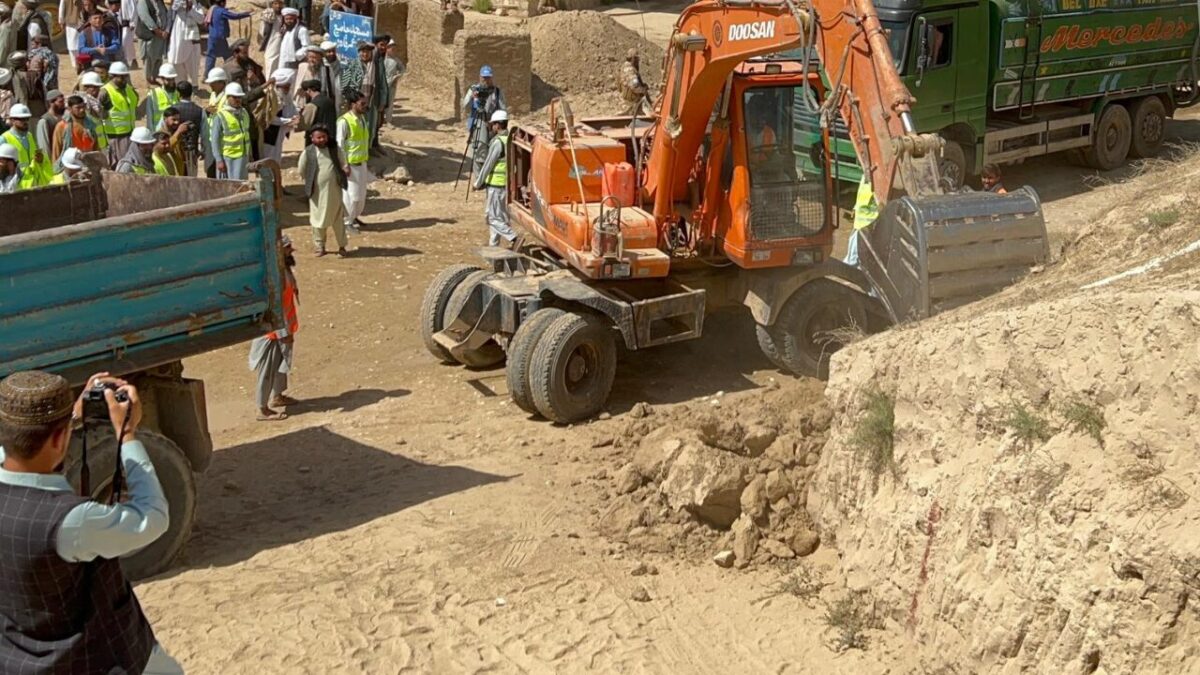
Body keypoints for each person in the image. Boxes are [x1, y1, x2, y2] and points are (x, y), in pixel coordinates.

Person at [0, 370, 184, 674]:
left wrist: (70, 418)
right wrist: (127, 434)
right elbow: (153, 516)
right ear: (60, 439)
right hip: (96, 660)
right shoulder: (73, 522)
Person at [248, 236, 299, 420]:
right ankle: (262, 408)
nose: (290, 251)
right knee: (267, 369)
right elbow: (274, 307)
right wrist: (283, 333)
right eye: (287, 249)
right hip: (272, 332)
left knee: (280, 364)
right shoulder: (275, 276)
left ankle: (277, 396)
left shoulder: (282, 270)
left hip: (282, 328)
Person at [298, 123, 346, 256]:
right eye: (318, 138)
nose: (322, 140)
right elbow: (302, 169)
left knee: (337, 219)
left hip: (334, 191)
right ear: (312, 138)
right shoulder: (308, 152)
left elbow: (343, 162)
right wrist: (310, 181)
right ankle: (320, 246)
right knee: (317, 219)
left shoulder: (334, 149)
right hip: (316, 193)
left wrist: (345, 169)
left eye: (324, 137)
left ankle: (342, 246)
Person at [473, 109, 516, 247]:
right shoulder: (511, 140)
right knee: (500, 217)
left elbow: (488, 164)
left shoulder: (498, 142)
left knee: (492, 218)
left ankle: (513, 237)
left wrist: (478, 183)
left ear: (498, 125)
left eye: (493, 125)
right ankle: (493, 247)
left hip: (496, 186)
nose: (491, 127)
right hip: (507, 186)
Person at [461, 65, 504, 178]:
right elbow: (465, 105)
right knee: (479, 150)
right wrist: (473, 97)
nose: (486, 80)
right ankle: (479, 177)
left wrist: (494, 122)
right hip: (478, 123)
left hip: (493, 124)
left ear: (492, 78)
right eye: (484, 77)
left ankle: (489, 175)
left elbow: (502, 109)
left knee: (493, 150)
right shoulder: (474, 89)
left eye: (488, 77)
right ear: (480, 77)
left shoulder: (497, 92)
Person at [341, 42, 383, 151]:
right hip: (356, 103)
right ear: (359, 53)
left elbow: (380, 84)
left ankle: (366, 150)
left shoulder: (375, 66)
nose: (365, 54)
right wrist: (352, 99)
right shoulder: (352, 64)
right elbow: (345, 85)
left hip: (371, 102)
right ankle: (353, 149)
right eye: (363, 52)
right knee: (355, 126)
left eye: (367, 52)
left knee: (369, 127)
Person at [338, 90, 370, 232]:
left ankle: (354, 216)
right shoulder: (344, 121)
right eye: (362, 104)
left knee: (361, 195)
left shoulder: (362, 119)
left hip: (361, 162)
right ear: (353, 104)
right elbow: (340, 144)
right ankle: (346, 222)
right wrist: (344, 164)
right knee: (351, 196)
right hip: (350, 165)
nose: (365, 106)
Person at [1, 103, 51, 187]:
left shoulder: (29, 136)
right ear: (12, 120)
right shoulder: (4, 139)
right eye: (21, 119)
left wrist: (39, 159)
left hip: (32, 183)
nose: (25, 122)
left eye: (27, 119)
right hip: (14, 185)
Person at [210, 80, 251, 179]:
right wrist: (219, 160)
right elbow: (214, 141)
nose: (238, 100)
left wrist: (250, 154)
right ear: (228, 97)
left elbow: (246, 134)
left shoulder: (244, 113)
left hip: (243, 156)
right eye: (234, 97)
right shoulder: (220, 116)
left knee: (242, 185)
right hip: (228, 158)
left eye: (239, 97)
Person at [99, 60, 136, 164]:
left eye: (125, 76)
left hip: (130, 134)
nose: (124, 80)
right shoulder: (105, 92)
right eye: (121, 77)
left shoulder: (128, 89)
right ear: (112, 76)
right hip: (114, 137)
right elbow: (98, 116)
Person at [204, 0, 251, 76]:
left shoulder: (212, 9)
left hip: (212, 37)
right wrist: (247, 14)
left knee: (211, 56)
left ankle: (206, 75)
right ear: (222, 3)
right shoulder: (221, 11)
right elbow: (234, 16)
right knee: (228, 56)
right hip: (220, 37)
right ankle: (231, 72)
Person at [165, 81, 202, 175]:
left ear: (178, 93)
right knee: (192, 178)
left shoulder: (171, 109)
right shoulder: (199, 111)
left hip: (175, 153)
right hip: (192, 152)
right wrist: (203, 150)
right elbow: (205, 134)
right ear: (191, 93)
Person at [52, 93, 103, 160]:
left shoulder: (91, 124)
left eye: (83, 106)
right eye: (78, 108)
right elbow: (57, 149)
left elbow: (96, 146)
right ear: (70, 109)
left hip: (89, 162)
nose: (82, 110)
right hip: (71, 163)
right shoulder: (62, 126)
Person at [262, 67, 296, 164]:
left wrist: (295, 116)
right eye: (285, 87)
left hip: (279, 133)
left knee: (276, 159)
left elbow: (291, 107)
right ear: (278, 86)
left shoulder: (286, 95)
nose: (287, 90)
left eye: (288, 87)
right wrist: (288, 121)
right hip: (269, 133)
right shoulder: (270, 96)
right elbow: (269, 118)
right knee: (268, 159)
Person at [166, 0, 203, 86]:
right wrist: (184, 4)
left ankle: (194, 85)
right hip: (178, 35)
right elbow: (174, 8)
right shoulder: (177, 3)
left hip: (191, 38)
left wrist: (190, 9)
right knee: (176, 58)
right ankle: (180, 83)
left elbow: (200, 19)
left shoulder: (196, 4)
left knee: (193, 61)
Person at [843, 175, 877, 268]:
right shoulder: (867, 176)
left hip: (865, 225)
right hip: (863, 225)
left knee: (854, 259)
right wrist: (855, 208)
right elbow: (861, 195)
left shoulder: (873, 177)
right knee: (854, 257)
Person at [134, 0, 169, 86]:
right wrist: (157, 31)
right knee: (148, 58)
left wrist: (165, 31)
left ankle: (154, 77)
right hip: (149, 35)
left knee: (158, 57)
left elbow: (165, 15)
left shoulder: (160, 2)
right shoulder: (143, 2)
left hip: (160, 36)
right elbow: (145, 17)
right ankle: (148, 79)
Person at [298, 78, 335, 145]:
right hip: (329, 138)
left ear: (309, 90)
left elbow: (304, 124)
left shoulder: (312, 105)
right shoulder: (330, 101)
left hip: (316, 140)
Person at [142, 62, 178, 129]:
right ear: (162, 79)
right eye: (168, 80)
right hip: (159, 132)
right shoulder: (153, 94)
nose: (171, 83)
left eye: (172, 79)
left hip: (174, 132)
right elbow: (149, 117)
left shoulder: (178, 93)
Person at [34, 88, 64, 166]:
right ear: (51, 103)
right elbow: (44, 146)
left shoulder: (64, 118)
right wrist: (50, 164)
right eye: (60, 102)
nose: (63, 104)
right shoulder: (44, 121)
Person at [618, 48, 648, 116]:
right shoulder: (629, 69)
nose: (638, 61)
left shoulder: (625, 66)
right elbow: (635, 86)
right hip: (630, 103)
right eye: (637, 59)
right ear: (633, 58)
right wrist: (644, 90)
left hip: (628, 101)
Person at [319, 39, 342, 112]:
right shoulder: (320, 65)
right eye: (328, 52)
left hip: (336, 96)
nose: (331, 53)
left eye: (333, 51)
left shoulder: (339, 64)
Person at [384, 38, 403, 125]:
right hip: (381, 85)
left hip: (391, 85)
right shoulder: (381, 59)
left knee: (390, 103)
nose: (393, 50)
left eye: (394, 49)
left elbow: (402, 69)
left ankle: (388, 120)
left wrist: (397, 77)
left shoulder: (396, 60)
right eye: (391, 48)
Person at [112, 0, 137, 68]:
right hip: (119, 21)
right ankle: (131, 60)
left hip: (128, 22)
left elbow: (133, 9)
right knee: (125, 42)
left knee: (125, 41)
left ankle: (129, 60)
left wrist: (132, 22)